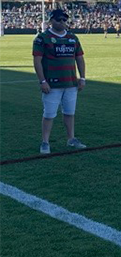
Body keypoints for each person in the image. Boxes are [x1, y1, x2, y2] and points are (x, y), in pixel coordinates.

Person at [32, 9, 87, 154]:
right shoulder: (42, 38)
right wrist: (42, 81)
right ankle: (45, 142)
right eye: (58, 20)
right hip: (52, 84)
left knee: (70, 113)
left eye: (64, 19)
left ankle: (71, 139)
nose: (62, 22)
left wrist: (82, 78)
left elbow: (79, 58)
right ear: (51, 21)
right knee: (49, 114)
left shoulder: (73, 37)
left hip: (70, 83)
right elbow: (37, 61)